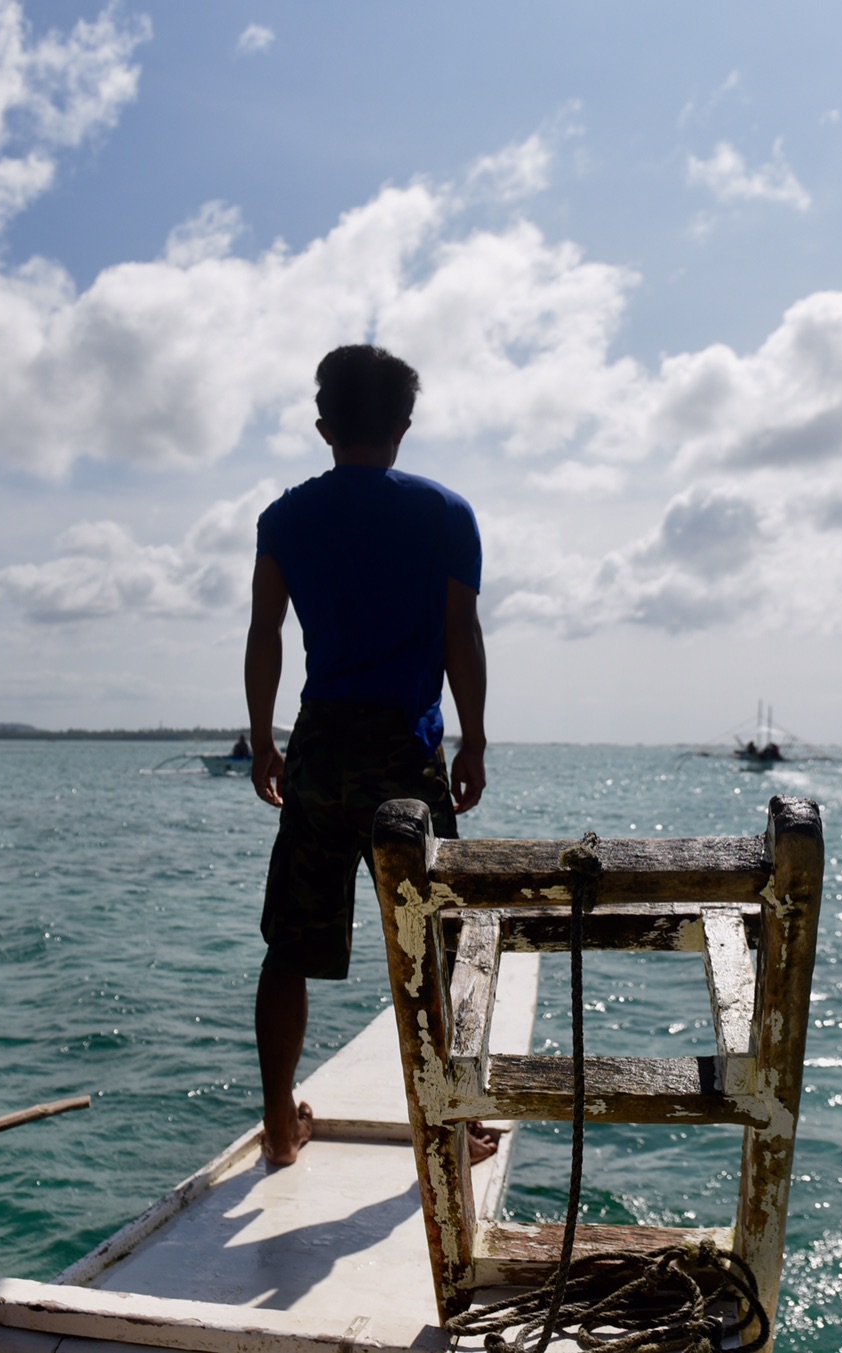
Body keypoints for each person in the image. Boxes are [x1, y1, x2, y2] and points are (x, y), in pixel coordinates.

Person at [244, 344, 488, 1167]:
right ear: (403, 427)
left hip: (320, 742)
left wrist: (265, 737)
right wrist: (476, 737)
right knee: (434, 939)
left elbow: (266, 634)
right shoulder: (447, 513)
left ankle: (280, 1126)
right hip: (407, 750)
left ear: (324, 427)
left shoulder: (283, 519)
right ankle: (450, 1128)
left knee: (289, 947)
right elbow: (461, 636)